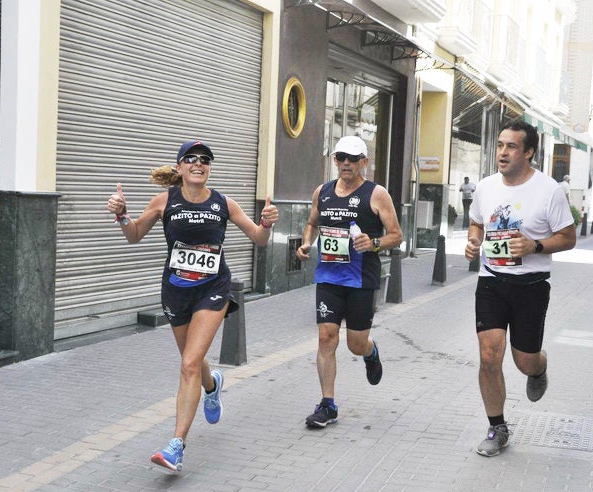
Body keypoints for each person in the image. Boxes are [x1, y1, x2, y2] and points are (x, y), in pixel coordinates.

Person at [106, 140, 278, 472]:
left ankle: (176, 446)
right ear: (180, 168)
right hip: (176, 291)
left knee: (187, 364)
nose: (198, 163)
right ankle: (211, 384)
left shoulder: (223, 203)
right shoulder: (164, 201)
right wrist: (122, 215)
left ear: (209, 168)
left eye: (205, 159)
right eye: (191, 159)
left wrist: (268, 224)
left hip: (213, 289)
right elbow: (134, 235)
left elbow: (258, 238)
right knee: (193, 362)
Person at [464, 120, 576, 457]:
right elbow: (477, 221)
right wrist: (473, 241)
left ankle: (538, 368)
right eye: (500, 145)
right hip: (492, 282)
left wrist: (535, 247)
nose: (502, 152)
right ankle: (497, 427)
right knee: (489, 355)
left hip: (531, 286)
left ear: (528, 152)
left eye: (511, 146)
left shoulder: (549, 190)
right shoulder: (485, 187)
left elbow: (568, 237)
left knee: (523, 361)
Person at [295, 135, 403, 428]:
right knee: (326, 337)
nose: (345, 163)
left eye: (352, 159)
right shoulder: (323, 191)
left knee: (355, 344)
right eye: (340, 157)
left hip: (361, 279)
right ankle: (327, 405)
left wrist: (375, 243)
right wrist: (306, 243)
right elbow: (312, 223)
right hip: (329, 277)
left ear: (363, 163)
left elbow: (396, 235)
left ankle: (371, 350)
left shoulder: (376, 194)